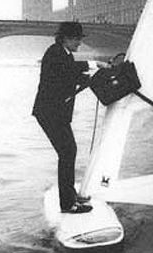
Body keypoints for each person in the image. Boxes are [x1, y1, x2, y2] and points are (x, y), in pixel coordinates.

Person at [32, 21, 109, 214]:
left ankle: (70, 197)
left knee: (68, 152)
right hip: (50, 113)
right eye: (76, 39)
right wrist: (94, 70)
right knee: (67, 152)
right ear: (65, 38)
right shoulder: (55, 53)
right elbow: (70, 73)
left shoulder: (63, 53)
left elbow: (71, 72)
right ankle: (67, 204)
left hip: (56, 112)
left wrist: (94, 74)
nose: (79, 43)